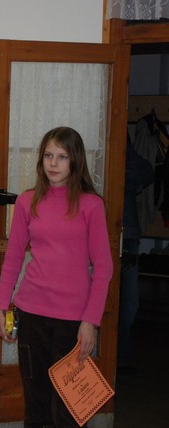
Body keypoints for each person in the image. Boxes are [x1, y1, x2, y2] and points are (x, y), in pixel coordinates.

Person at [0, 126, 113, 428]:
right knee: (35, 405)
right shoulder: (27, 201)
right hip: (31, 314)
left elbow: (104, 268)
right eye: (48, 155)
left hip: (73, 321)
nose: (53, 163)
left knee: (68, 412)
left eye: (62, 156)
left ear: (75, 160)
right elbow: (14, 257)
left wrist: (91, 321)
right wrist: (1, 306)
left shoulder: (91, 205)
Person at [118, 139, 153, 373]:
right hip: (105, 233)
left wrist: (125, 181)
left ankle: (120, 358)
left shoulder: (125, 146)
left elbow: (147, 173)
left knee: (128, 303)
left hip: (128, 235)